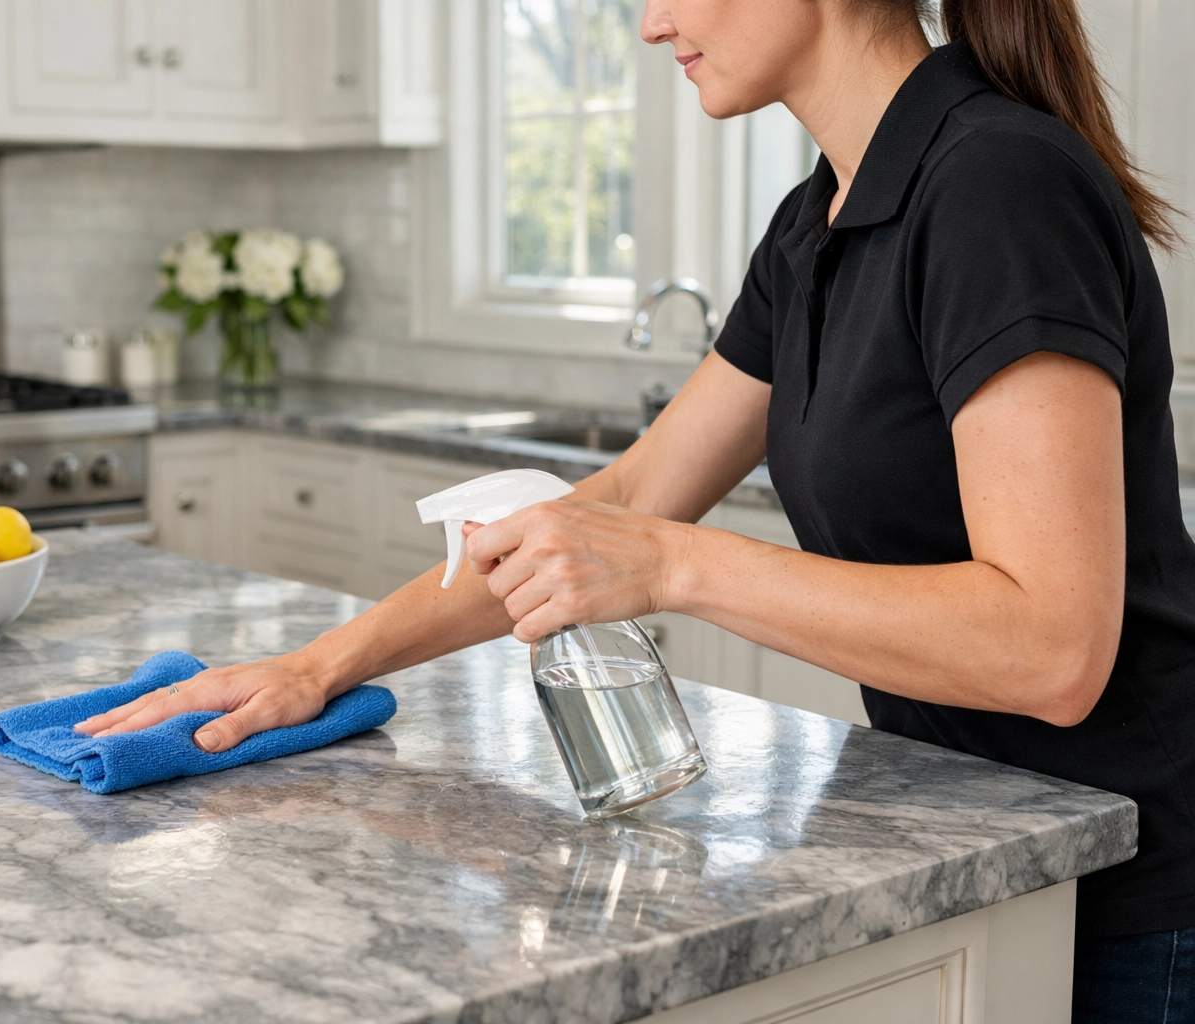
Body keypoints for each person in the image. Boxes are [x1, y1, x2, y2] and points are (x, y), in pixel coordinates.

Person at [78, 0, 1195, 1017]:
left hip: (1139, 877)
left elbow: (1052, 648)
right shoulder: (821, 217)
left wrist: (674, 567)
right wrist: (317, 670)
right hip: (988, 831)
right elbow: (617, 498)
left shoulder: (1000, 184)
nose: (653, 24)